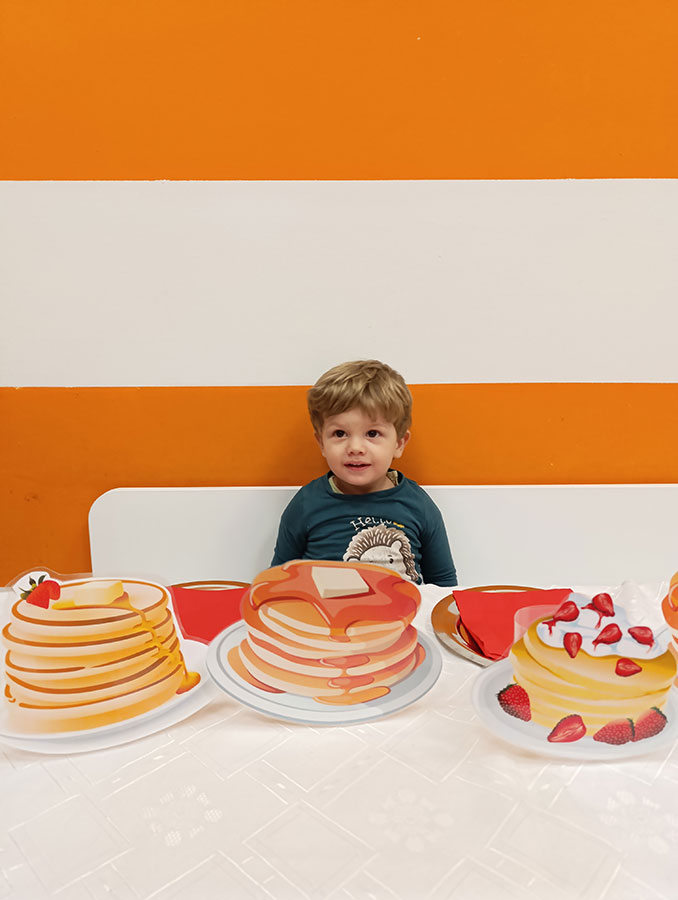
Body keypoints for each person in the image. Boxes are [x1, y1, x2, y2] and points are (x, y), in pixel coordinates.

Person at [271, 359, 457, 585]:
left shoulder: (419, 506)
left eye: (372, 433)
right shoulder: (305, 504)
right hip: (324, 608)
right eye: (340, 434)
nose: (355, 448)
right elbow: (278, 579)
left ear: (399, 443)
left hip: (404, 607)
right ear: (321, 443)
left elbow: (443, 583)